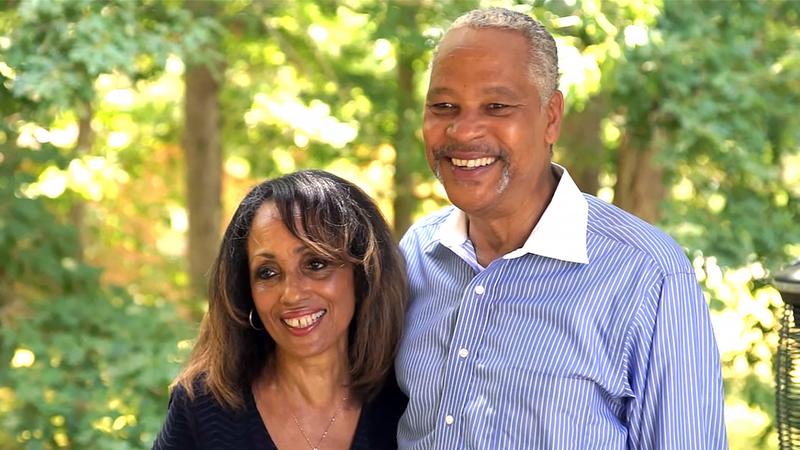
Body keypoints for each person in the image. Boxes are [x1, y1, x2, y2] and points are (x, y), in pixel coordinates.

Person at [395, 7, 727, 449]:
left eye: (497, 106)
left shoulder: (648, 276)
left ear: (551, 117)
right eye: (443, 106)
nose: (463, 129)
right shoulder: (415, 254)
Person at [153, 170, 408, 450]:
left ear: (363, 272)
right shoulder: (204, 407)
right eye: (268, 272)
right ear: (246, 290)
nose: (292, 293)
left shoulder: (407, 396)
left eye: (315, 264)